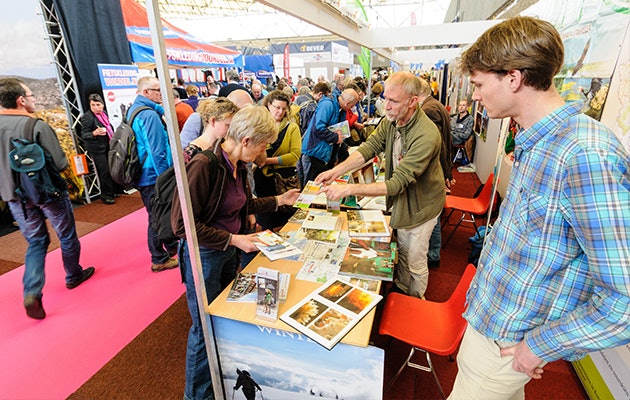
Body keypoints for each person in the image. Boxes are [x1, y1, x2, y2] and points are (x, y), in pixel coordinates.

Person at [449, 16, 630, 400]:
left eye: (480, 84)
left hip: (508, 344)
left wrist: (542, 344)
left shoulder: (584, 154)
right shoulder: (540, 142)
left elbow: (624, 298)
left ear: (512, 78)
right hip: (494, 328)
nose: (476, 96)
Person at [170, 106, 299, 400]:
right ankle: (196, 396)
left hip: (226, 253)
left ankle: (220, 387)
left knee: (224, 322)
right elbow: (182, 226)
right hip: (205, 257)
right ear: (247, 140)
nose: (265, 152)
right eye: (264, 144)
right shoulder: (205, 165)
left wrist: (279, 200)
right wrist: (234, 239)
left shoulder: (238, 164)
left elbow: (242, 206)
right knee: (204, 330)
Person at [315, 71, 445, 299]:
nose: (387, 106)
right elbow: (369, 148)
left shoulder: (426, 134)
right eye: (385, 98)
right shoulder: (392, 120)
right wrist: (335, 171)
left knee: (414, 261)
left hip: (422, 207)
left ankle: (415, 302)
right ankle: (402, 292)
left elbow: (396, 184)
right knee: (403, 253)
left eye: (394, 101)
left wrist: (348, 189)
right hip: (404, 202)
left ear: (413, 102)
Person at [0, 78, 95, 319]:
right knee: (66, 235)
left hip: (14, 198)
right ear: (20, 100)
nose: (33, 100)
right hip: (47, 192)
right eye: (30, 96)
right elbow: (62, 163)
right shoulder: (35, 126)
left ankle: (32, 290)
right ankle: (73, 274)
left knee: (36, 242)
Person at [128, 76, 178, 273]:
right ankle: (159, 258)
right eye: (157, 89)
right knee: (157, 216)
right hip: (152, 175)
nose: (161, 93)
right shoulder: (149, 115)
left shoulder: (136, 110)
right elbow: (157, 151)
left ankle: (167, 249)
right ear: (145, 92)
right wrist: (165, 180)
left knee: (156, 214)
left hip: (144, 174)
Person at [416, 77, 454, 269]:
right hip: (440, 167)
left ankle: (433, 254)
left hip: (434, 170)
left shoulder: (428, 111)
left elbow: (433, 146)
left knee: (433, 216)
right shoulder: (436, 105)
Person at [254, 90, 301, 230]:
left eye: (283, 108)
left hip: (285, 179)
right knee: (266, 217)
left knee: (287, 218)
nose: (280, 112)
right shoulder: (259, 126)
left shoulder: (292, 127)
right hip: (263, 179)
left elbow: (295, 155)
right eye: (277, 107)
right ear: (268, 105)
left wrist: (267, 161)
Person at [299, 88, 358, 187]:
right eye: (351, 106)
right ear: (347, 103)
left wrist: (342, 144)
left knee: (323, 186)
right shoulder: (328, 105)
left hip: (325, 154)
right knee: (312, 187)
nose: (352, 108)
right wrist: (335, 138)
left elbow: (337, 129)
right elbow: (318, 127)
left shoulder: (340, 109)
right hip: (315, 153)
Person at [79, 93, 116, 204]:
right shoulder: (87, 117)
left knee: (111, 169)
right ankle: (106, 195)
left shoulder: (104, 114)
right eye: (93, 105)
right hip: (97, 148)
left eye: (98, 105)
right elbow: (84, 135)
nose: (96, 107)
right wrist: (94, 133)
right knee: (103, 171)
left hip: (107, 145)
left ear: (103, 105)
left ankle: (113, 191)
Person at [182, 98, 239, 163]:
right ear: (213, 121)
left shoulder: (225, 146)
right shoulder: (192, 152)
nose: (231, 130)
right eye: (228, 125)